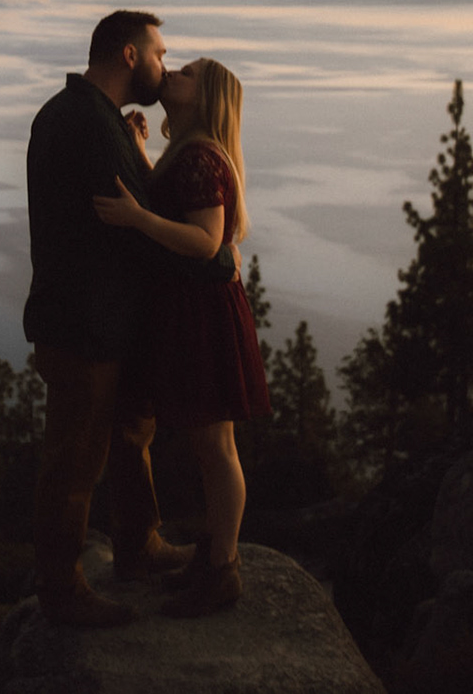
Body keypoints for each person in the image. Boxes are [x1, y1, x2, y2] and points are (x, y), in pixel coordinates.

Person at [23, 10, 239, 627]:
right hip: (83, 324)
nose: (164, 66)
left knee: (127, 438)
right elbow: (139, 227)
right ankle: (62, 592)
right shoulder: (87, 124)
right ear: (127, 56)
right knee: (74, 461)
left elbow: (138, 209)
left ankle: (138, 545)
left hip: (108, 319)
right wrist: (218, 263)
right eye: (158, 54)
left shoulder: (89, 116)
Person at [93, 56, 269, 617]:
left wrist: (135, 218)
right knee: (208, 446)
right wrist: (141, 154)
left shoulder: (199, 158)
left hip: (203, 316)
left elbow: (205, 240)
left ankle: (223, 569)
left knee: (217, 448)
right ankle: (215, 556)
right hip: (198, 311)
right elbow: (178, 208)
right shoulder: (191, 153)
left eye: (187, 72)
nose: (173, 73)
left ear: (206, 96)